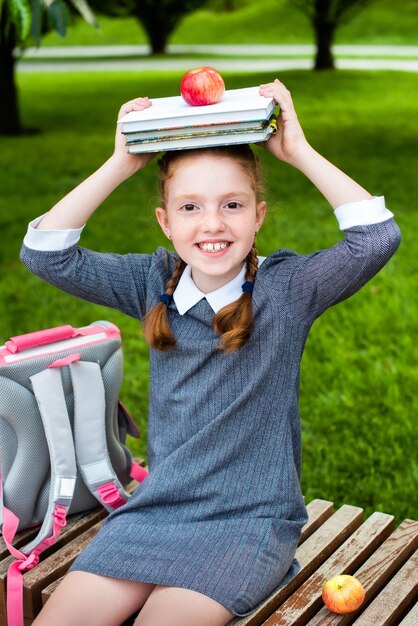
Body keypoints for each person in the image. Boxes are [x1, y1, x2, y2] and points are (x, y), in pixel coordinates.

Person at [21, 79, 400, 626]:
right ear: (165, 221)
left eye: (232, 205)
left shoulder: (286, 289)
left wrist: (298, 150)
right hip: (155, 513)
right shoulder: (151, 282)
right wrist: (121, 164)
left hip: (249, 523)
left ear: (259, 216)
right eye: (190, 207)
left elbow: (375, 239)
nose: (213, 224)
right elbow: (45, 254)